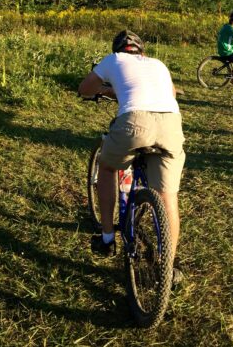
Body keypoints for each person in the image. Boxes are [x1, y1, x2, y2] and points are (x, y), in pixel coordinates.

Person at [77, 30, 186, 257]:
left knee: (107, 167)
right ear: (142, 50)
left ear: (116, 49)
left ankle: (107, 239)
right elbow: (172, 93)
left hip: (135, 123)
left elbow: (84, 89)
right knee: (168, 196)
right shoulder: (158, 63)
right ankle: (170, 265)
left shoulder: (114, 60)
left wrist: (107, 90)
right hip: (171, 124)